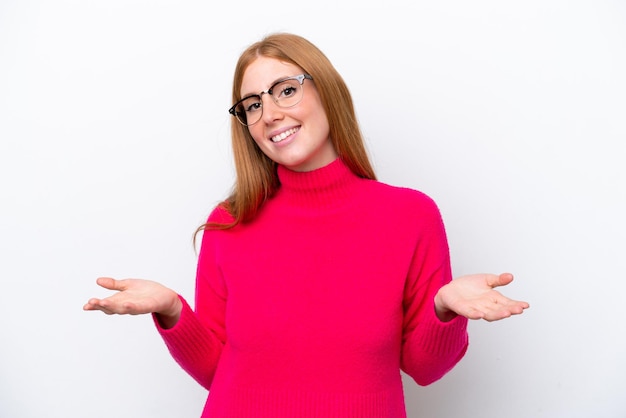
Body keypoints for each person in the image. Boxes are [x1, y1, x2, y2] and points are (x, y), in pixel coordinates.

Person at [84, 32, 529, 417]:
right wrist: (173, 311)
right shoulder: (230, 223)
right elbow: (218, 372)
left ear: (327, 91)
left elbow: (425, 370)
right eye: (252, 105)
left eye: (285, 90)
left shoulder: (410, 216)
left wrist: (444, 308)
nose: (270, 114)